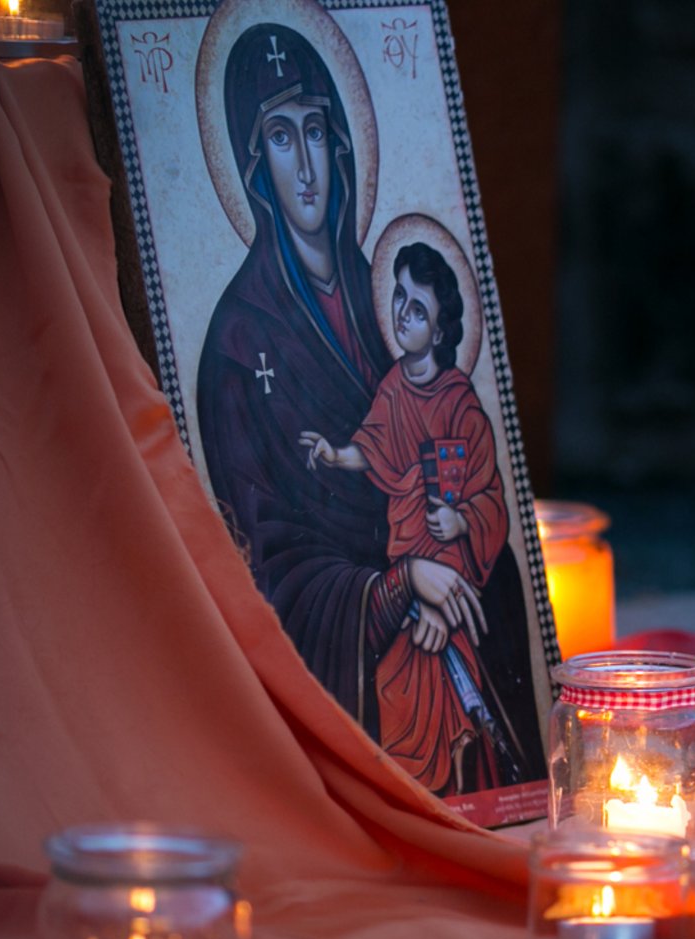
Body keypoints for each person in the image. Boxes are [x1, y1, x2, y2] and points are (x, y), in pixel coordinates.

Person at [196, 24, 481, 739]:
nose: (306, 169)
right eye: (282, 138)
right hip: (351, 651)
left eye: (316, 132)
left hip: (444, 593)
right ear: (254, 163)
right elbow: (270, 570)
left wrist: (450, 554)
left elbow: (454, 452)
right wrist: (400, 586)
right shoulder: (237, 344)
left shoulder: (392, 290)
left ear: (341, 144)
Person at [300, 243, 534, 794]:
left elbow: (488, 496)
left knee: (447, 694)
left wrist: (460, 525)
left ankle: (455, 796)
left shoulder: (460, 404)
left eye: (419, 310)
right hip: (406, 573)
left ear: (441, 329)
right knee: (393, 688)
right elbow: (374, 445)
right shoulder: (393, 388)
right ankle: (409, 802)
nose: (404, 315)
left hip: (449, 576)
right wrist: (337, 455)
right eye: (400, 299)